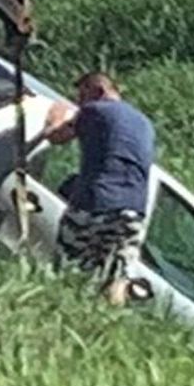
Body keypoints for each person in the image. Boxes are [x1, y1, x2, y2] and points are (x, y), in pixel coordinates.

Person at [42, 72, 156, 305]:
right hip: (134, 210)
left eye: (83, 95)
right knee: (118, 275)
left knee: (68, 265)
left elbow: (56, 136)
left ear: (99, 91)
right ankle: (107, 320)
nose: (81, 102)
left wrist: (56, 115)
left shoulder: (95, 111)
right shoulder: (144, 123)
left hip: (97, 202)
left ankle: (60, 310)